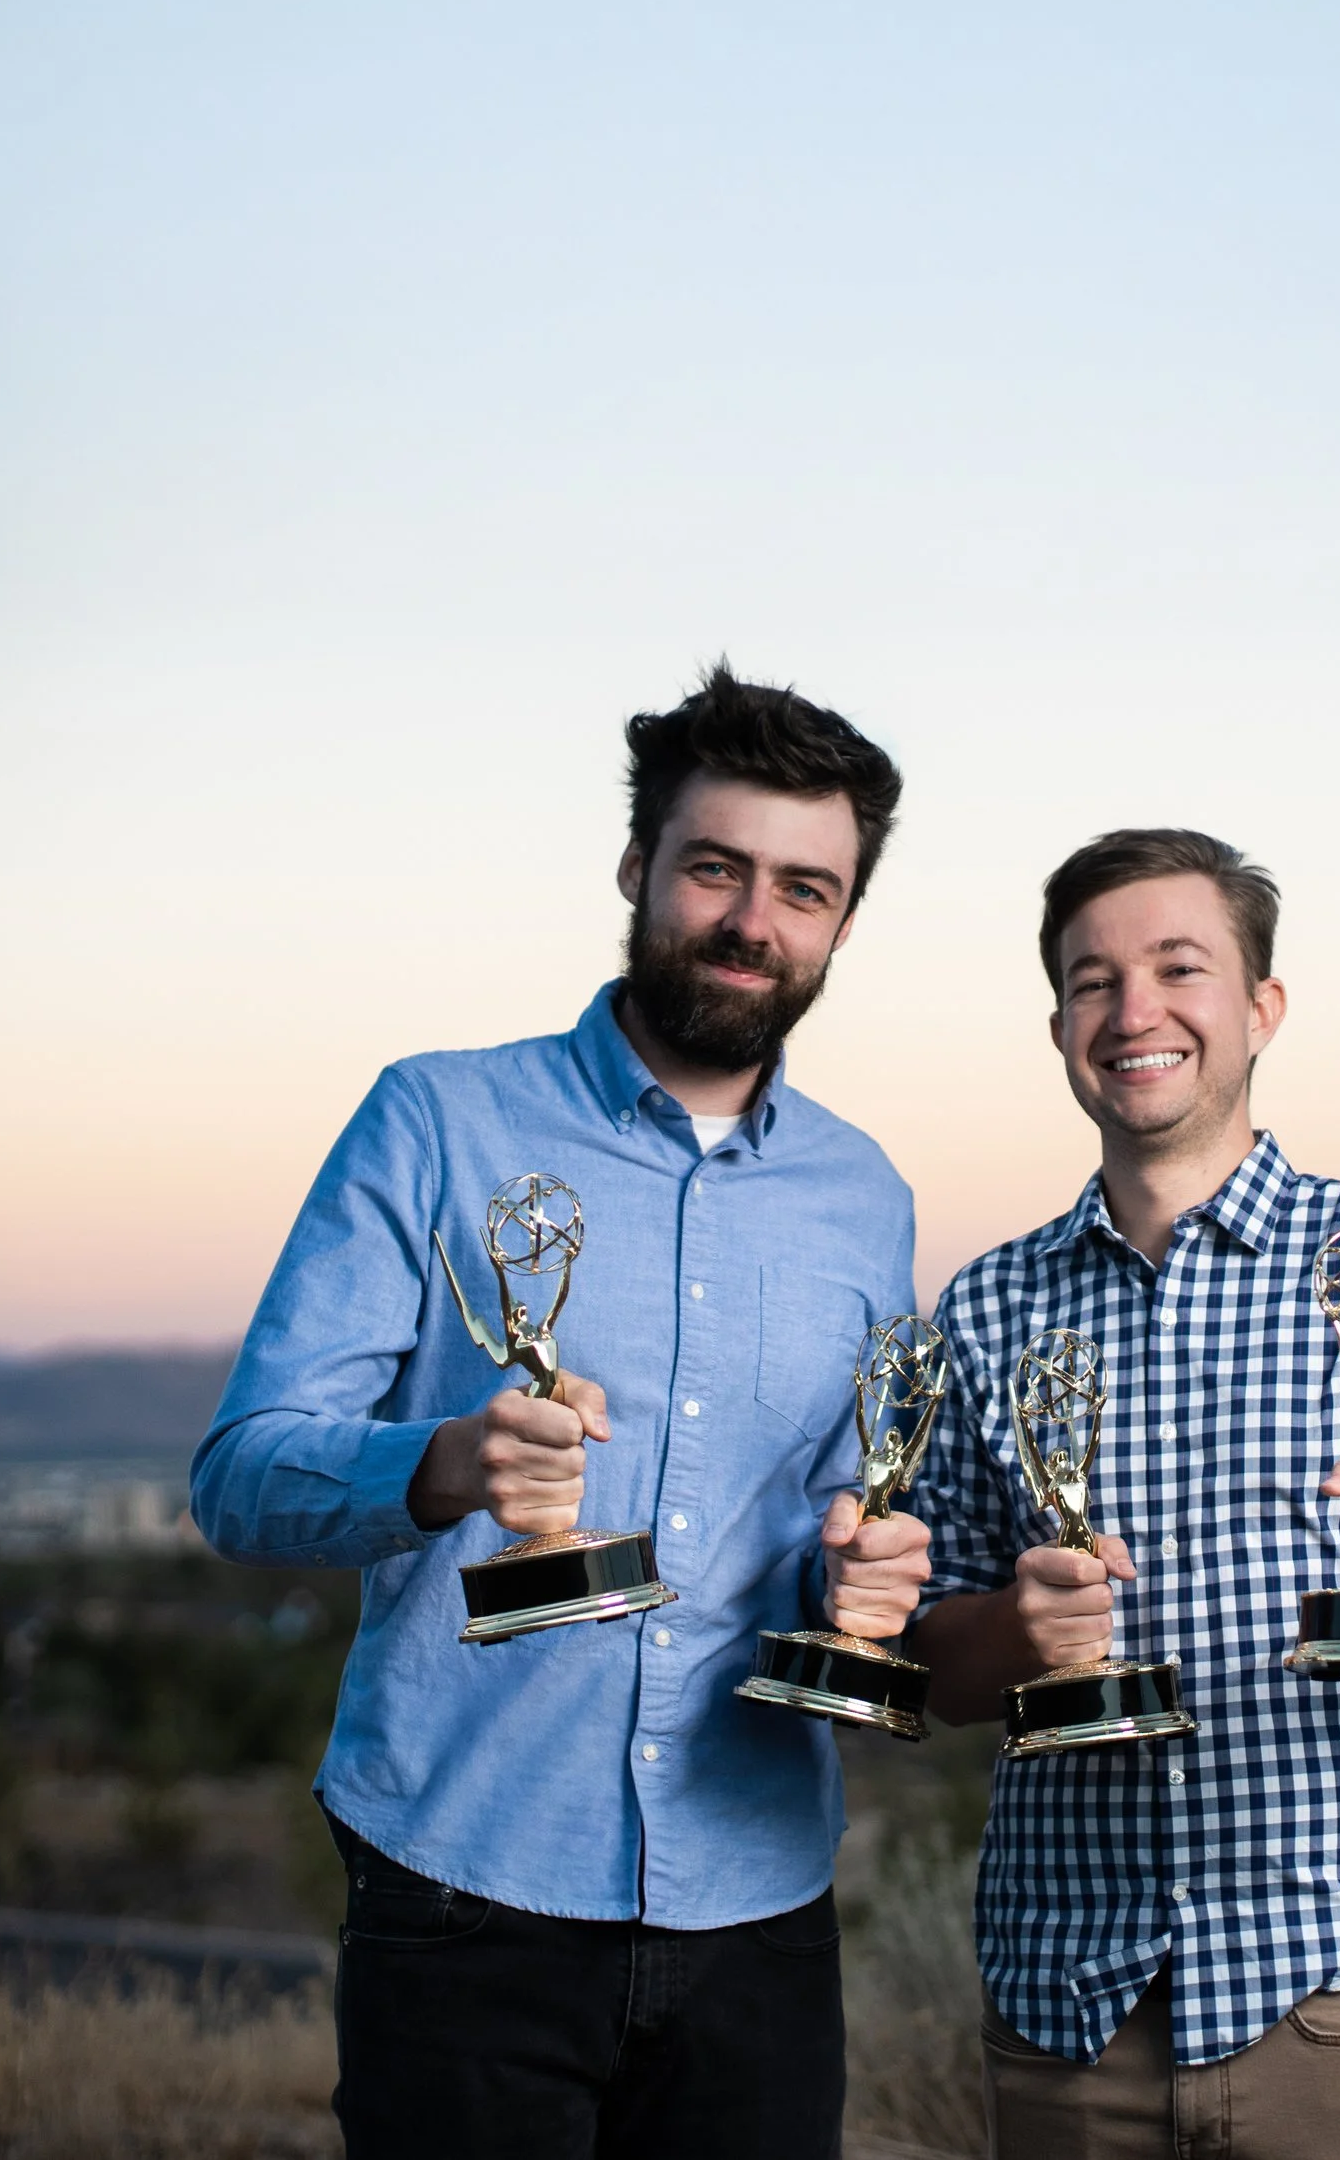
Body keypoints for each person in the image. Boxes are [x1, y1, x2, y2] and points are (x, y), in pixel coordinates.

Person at [191, 665, 929, 2160]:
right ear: (636, 868)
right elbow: (239, 1476)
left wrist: (868, 1586)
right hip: (467, 1888)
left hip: (761, 1911)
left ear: (842, 925)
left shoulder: (870, 1200)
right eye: (715, 868)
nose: (751, 921)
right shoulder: (437, 1118)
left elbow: (830, 1526)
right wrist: (445, 1464)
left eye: (803, 888)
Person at [909, 828, 1340, 2160]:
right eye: (1094, 980)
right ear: (1059, 1024)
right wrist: (1020, 1632)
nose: (1136, 1011)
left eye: (1181, 967)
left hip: (1339, 2010)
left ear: (1263, 1008)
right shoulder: (988, 1307)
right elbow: (936, 1665)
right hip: (1069, 2017)